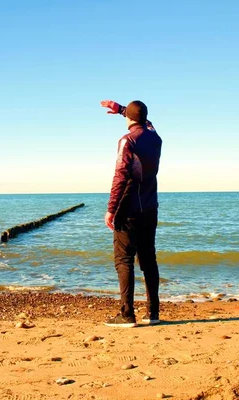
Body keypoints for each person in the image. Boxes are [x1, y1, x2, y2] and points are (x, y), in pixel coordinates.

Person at [100, 99, 162, 328]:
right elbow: (148, 123)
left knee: (123, 260)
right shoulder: (155, 137)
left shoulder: (127, 141)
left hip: (128, 209)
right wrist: (121, 110)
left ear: (129, 118)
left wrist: (110, 209)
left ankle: (127, 315)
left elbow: (120, 176)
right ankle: (153, 313)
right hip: (150, 208)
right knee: (148, 260)